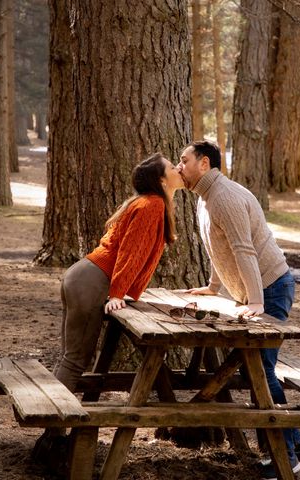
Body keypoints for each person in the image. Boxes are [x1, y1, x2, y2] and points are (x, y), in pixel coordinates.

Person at [32, 152, 184, 471]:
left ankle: (54, 435)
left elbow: (138, 256)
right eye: (172, 167)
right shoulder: (151, 205)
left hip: (85, 277)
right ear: (160, 179)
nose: (178, 168)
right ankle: (52, 439)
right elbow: (130, 252)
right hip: (91, 282)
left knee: (72, 358)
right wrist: (117, 293)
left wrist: (127, 294)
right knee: (75, 360)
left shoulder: (152, 204)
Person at [177, 140, 300, 480]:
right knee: (255, 370)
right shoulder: (205, 200)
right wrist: (214, 286)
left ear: (204, 164)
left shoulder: (226, 197)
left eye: (184, 161)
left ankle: (286, 459)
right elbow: (219, 248)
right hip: (255, 291)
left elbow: (245, 251)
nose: (179, 167)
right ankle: (296, 441)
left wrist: (257, 301)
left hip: (272, 288)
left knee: (259, 370)